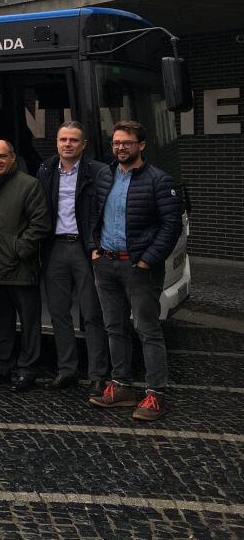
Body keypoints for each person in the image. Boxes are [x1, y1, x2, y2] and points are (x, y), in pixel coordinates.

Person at [89, 120, 182, 421]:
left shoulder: (159, 180)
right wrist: (94, 248)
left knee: (147, 329)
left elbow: (171, 225)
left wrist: (147, 260)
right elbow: (94, 213)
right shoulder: (105, 175)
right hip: (106, 263)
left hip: (138, 266)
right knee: (114, 327)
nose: (120, 148)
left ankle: (156, 394)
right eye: (116, 143)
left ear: (141, 145)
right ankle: (122, 386)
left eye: (126, 143)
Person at [36, 122, 109, 395]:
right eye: (63, 139)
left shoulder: (98, 171)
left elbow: (104, 210)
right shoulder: (45, 170)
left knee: (91, 314)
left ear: (84, 144)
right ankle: (67, 370)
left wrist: (98, 244)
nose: (67, 144)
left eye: (73, 140)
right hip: (55, 248)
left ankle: (97, 374)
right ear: (56, 142)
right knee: (58, 313)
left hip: (85, 248)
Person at [0, 139, 51, 392]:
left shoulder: (29, 185)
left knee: (29, 324)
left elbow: (40, 224)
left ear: (13, 158)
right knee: (1, 322)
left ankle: (27, 370)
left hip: (21, 268)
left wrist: (19, 249)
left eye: (2, 156)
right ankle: (1, 368)